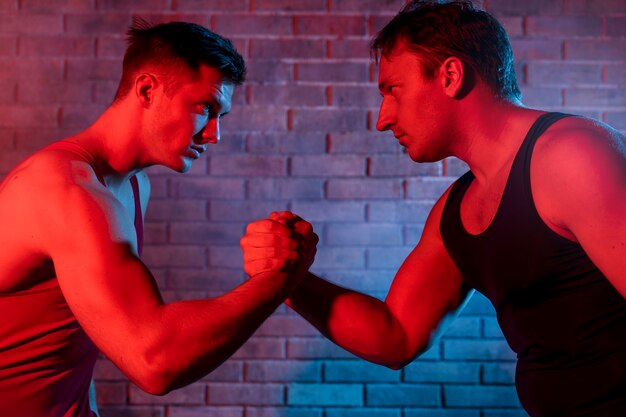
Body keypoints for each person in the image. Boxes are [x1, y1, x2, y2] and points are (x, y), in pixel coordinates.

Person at [243, 1, 626, 416]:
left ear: (449, 75)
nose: (382, 119)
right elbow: (397, 336)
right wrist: (289, 277)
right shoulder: (457, 208)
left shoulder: (571, 155)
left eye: (392, 90)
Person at [0, 19, 317, 417]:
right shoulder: (64, 190)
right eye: (206, 108)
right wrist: (278, 279)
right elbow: (153, 360)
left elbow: (79, 330)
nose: (214, 134)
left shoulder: (132, 186)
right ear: (147, 89)